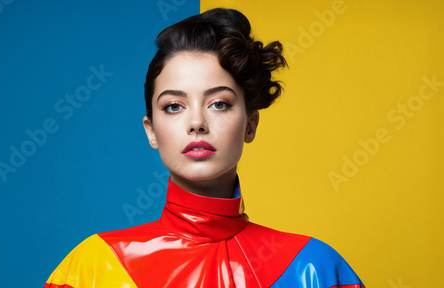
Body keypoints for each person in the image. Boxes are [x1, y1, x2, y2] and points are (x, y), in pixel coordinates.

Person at [44, 8, 365, 288]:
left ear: (250, 125)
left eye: (219, 104)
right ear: (151, 130)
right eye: (173, 106)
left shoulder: (313, 270)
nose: (197, 122)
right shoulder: (94, 268)